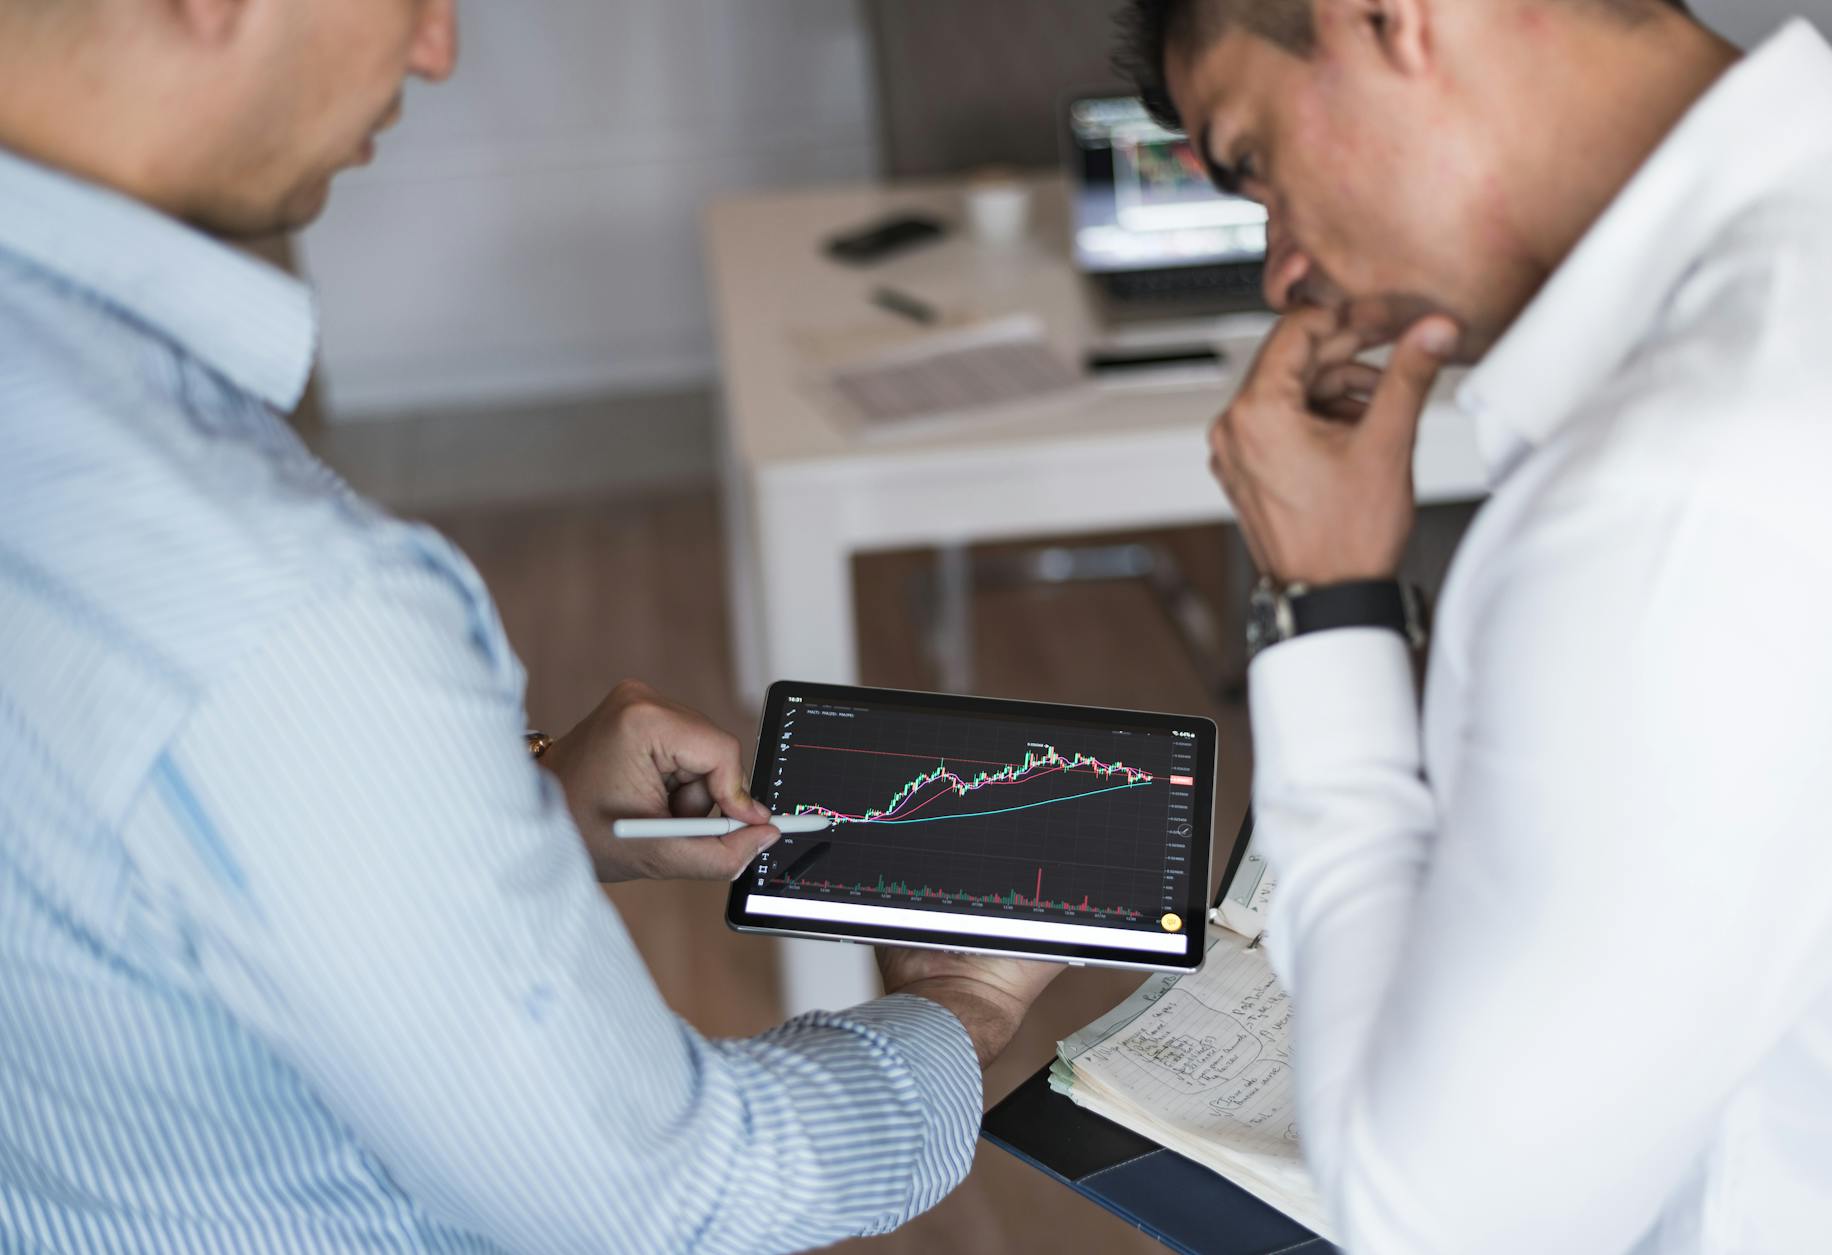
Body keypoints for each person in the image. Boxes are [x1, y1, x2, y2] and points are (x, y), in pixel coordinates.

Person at [0, 1, 1059, 1250]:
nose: (437, 49)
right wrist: (959, 1012)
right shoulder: (283, 601)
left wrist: (540, 796)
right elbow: (664, 1195)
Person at [1119, 0, 1832, 1250]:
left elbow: (1443, 1223)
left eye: (1254, 162)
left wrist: (1325, 606)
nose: (1281, 272)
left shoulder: (1673, 495)